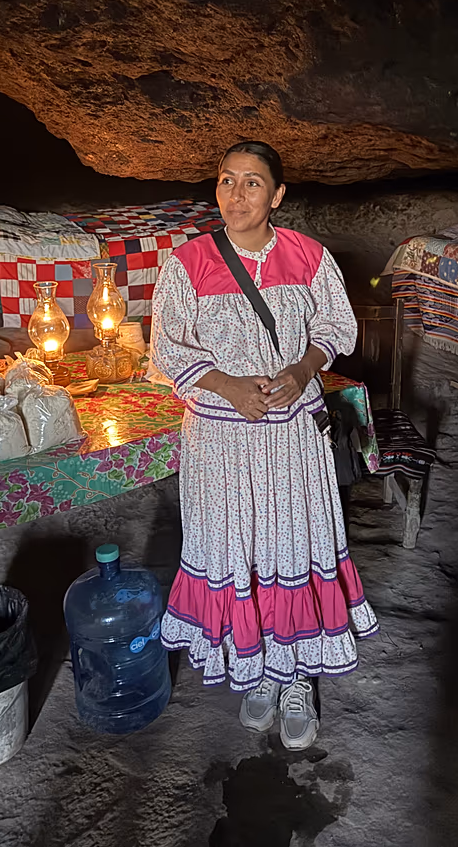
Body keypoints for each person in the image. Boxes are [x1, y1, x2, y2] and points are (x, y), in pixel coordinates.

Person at [150, 141, 378, 750]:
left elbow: (336, 328)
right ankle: (259, 670)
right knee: (240, 550)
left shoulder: (309, 257)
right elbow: (168, 349)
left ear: (277, 196)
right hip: (220, 441)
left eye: (253, 183)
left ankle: (297, 674)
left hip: (292, 438)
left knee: (292, 549)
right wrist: (226, 386)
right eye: (226, 180)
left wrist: (304, 370)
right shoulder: (187, 263)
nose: (236, 194)